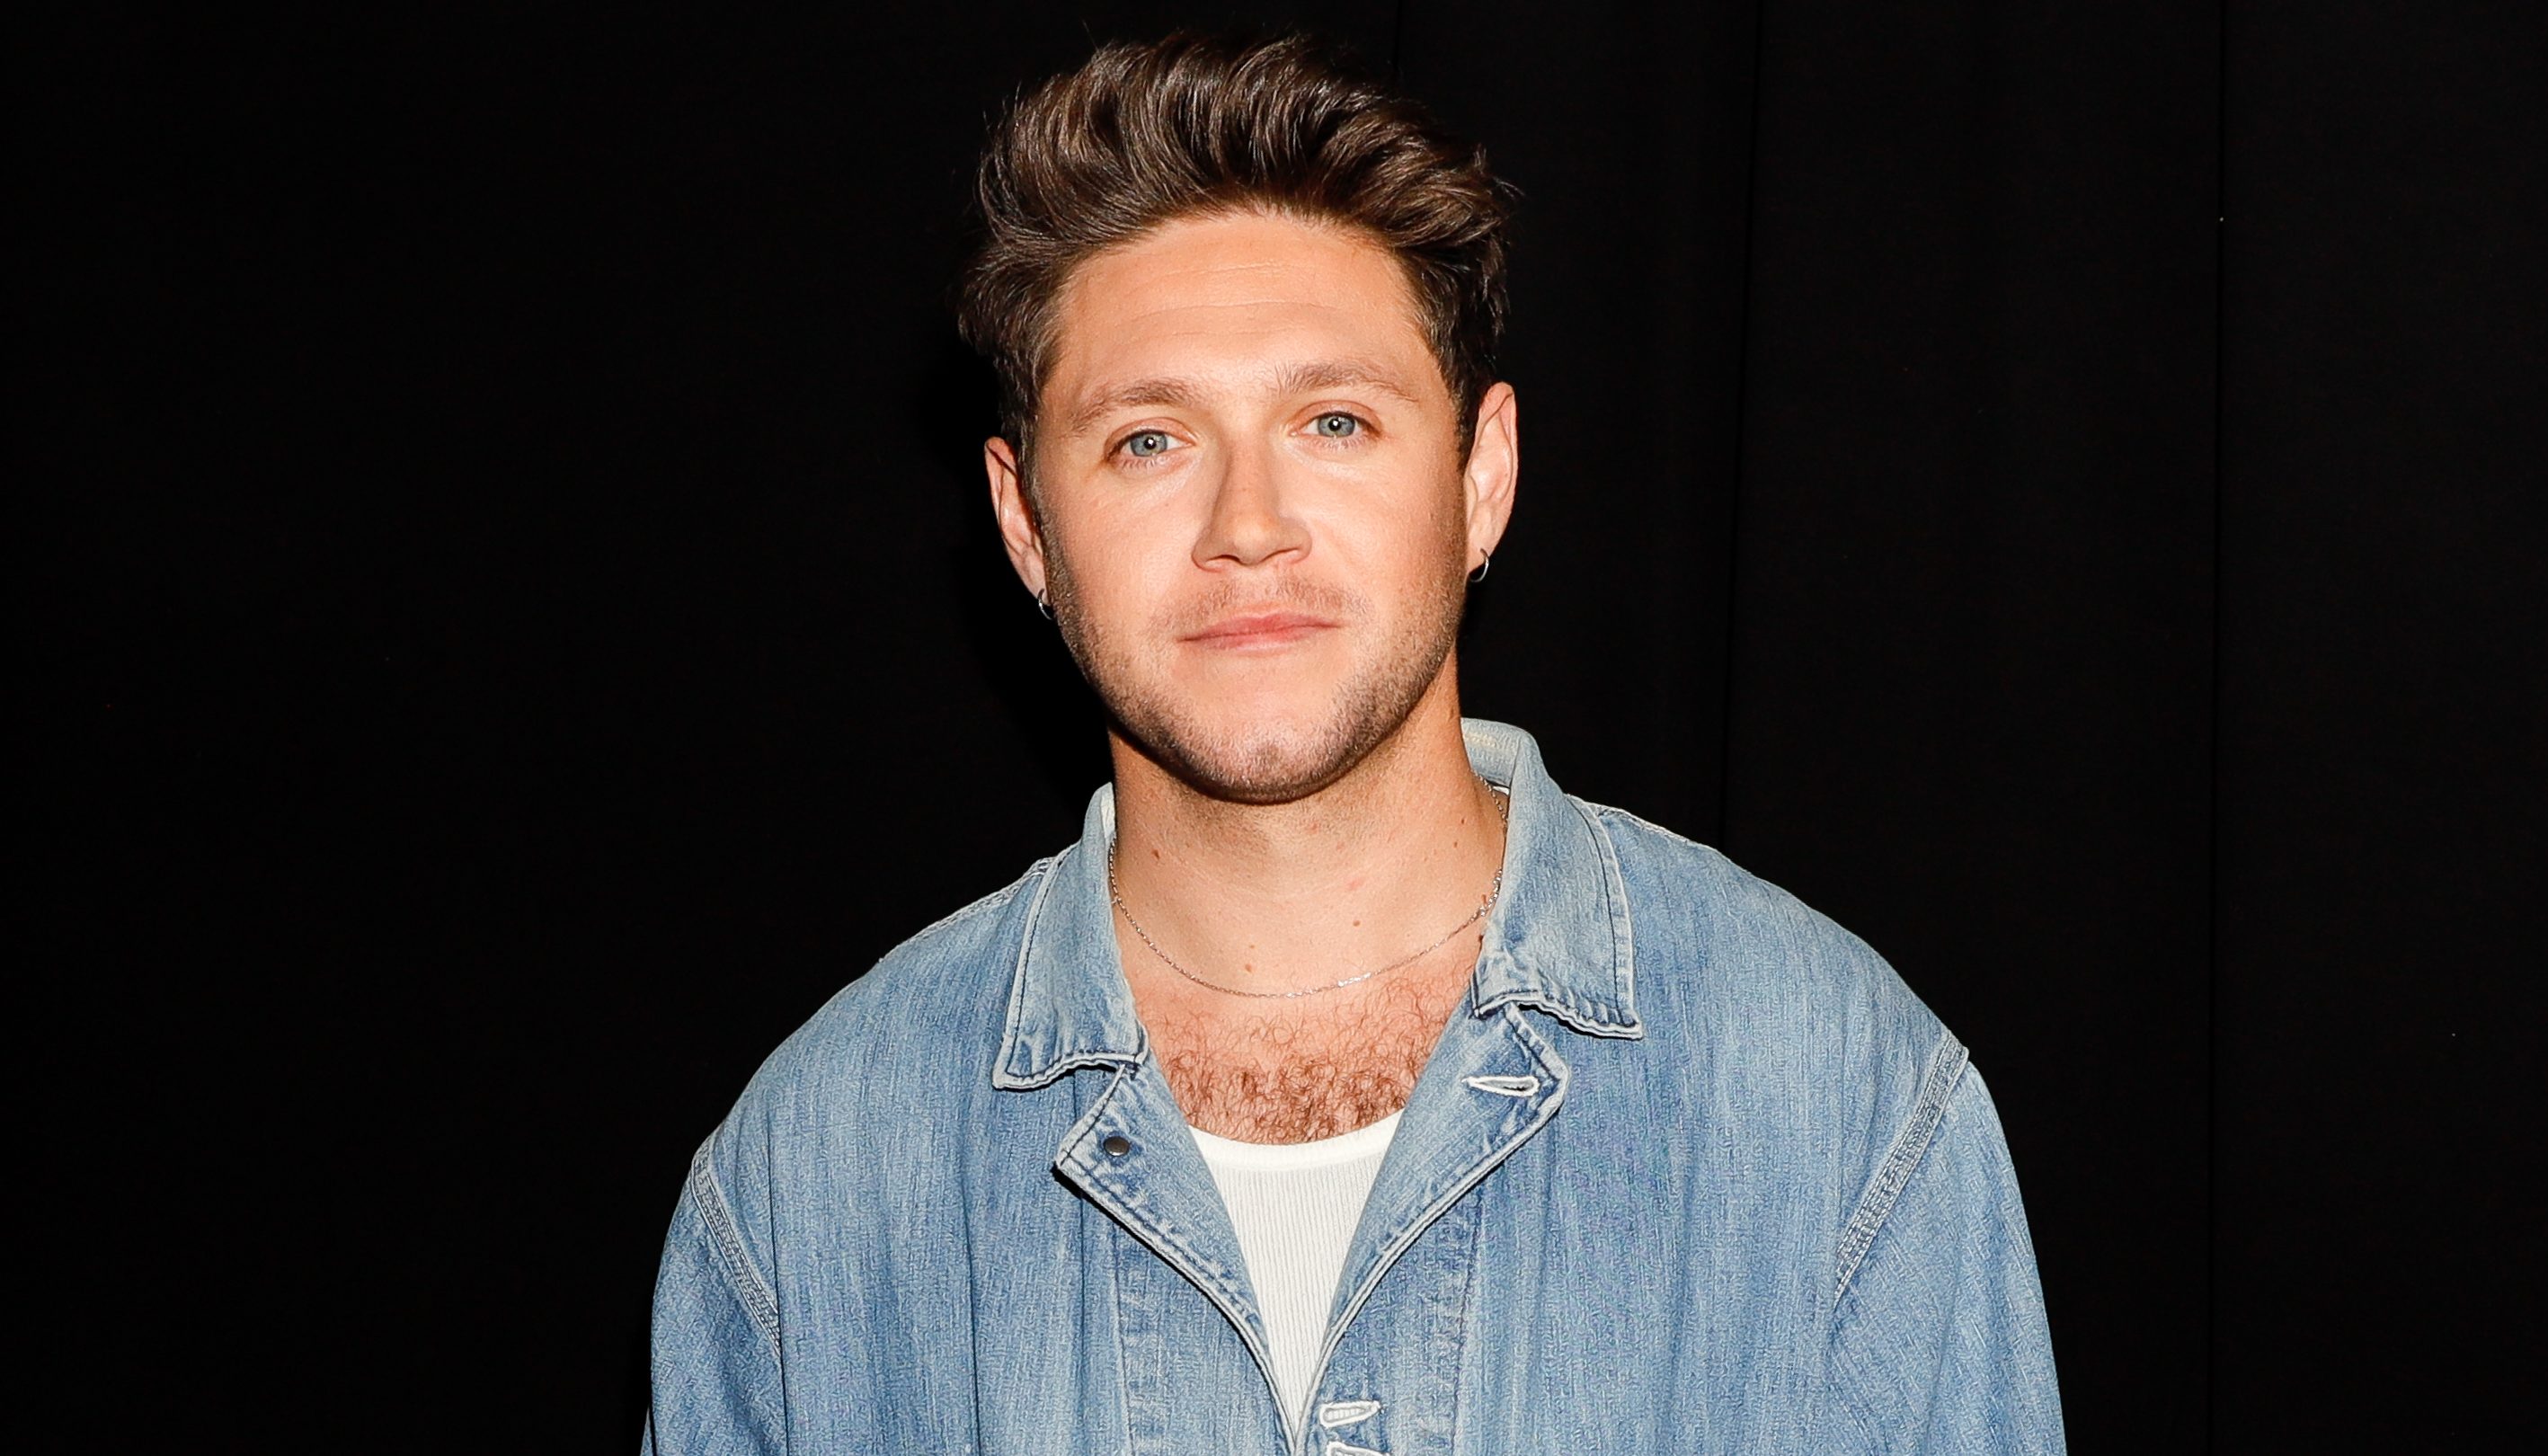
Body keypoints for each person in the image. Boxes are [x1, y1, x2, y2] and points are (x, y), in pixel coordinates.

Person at [643, 32, 2064, 1455]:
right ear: (1025, 524)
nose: (1248, 525)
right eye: (1148, 441)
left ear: (1482, 476)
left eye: (1333, 422)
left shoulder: (1841, 1104)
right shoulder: (810, 1184)